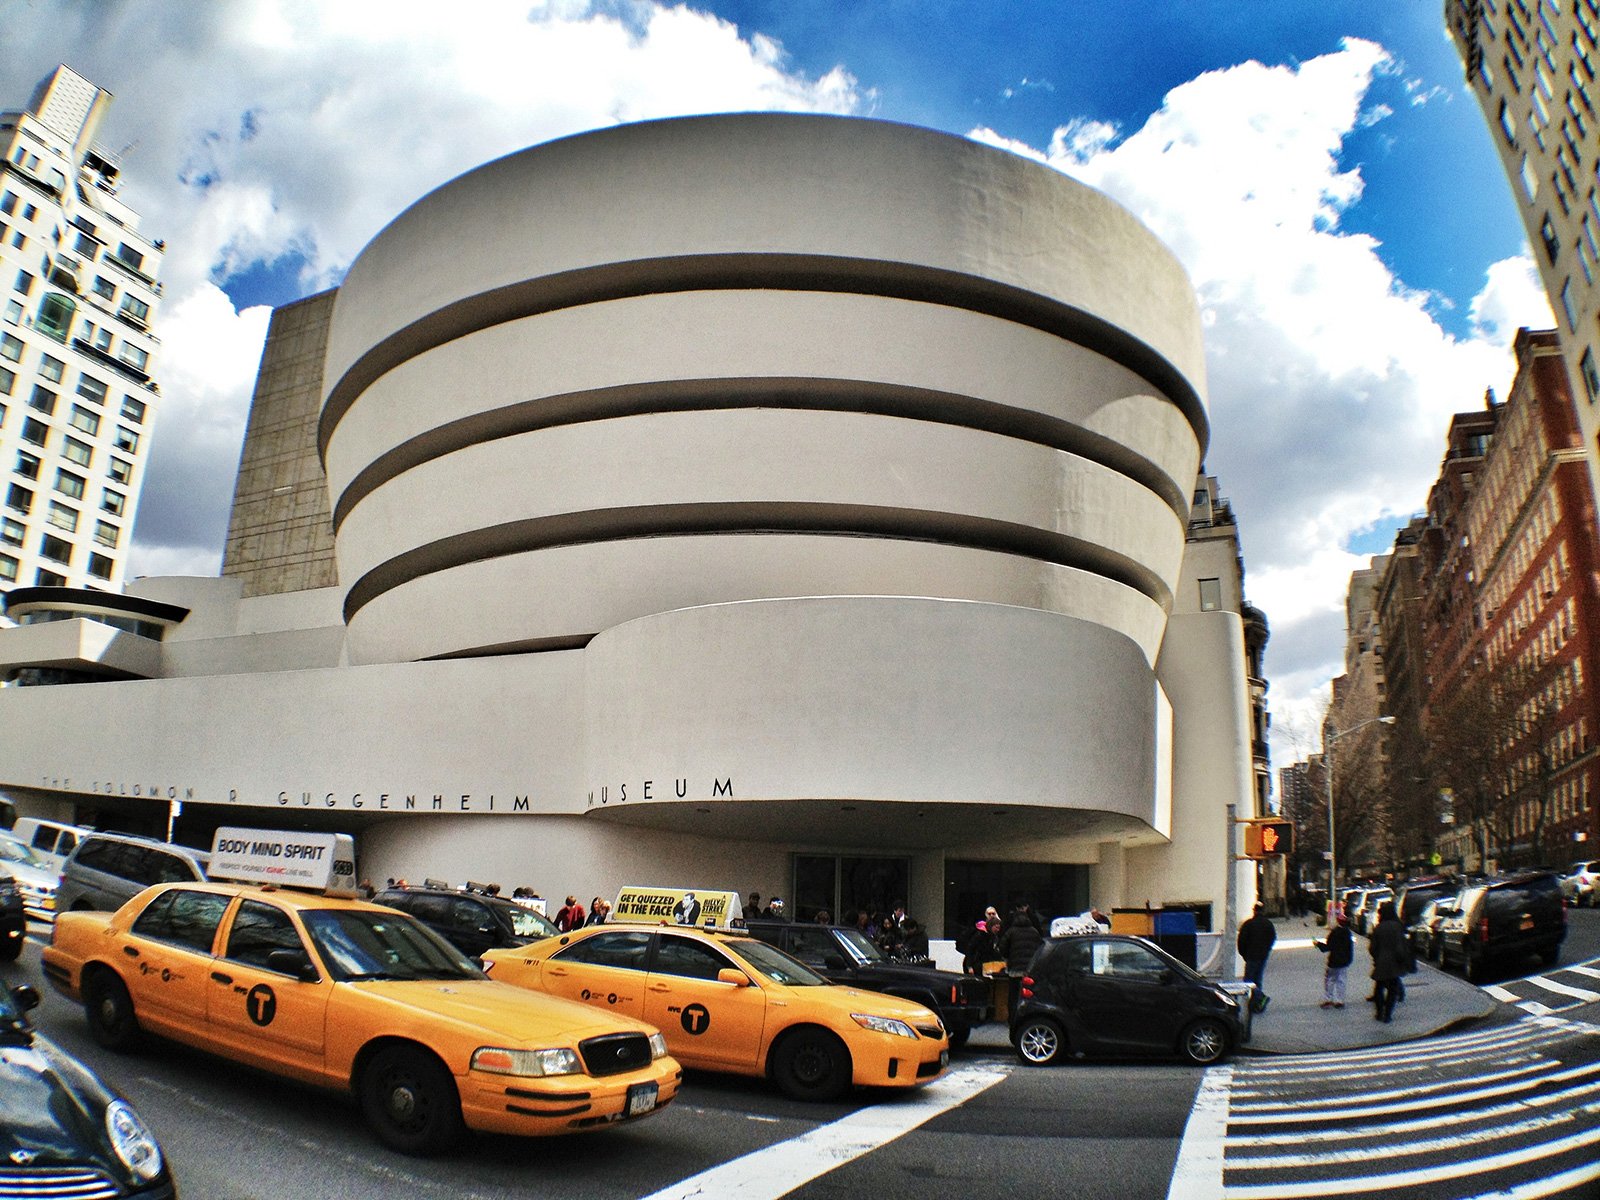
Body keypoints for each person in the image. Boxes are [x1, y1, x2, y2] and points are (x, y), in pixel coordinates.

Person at [1368, 901, 1411, 1023]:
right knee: (1392, 989)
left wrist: (1376, 958)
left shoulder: (1379, 928)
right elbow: (1402, 945)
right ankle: (1388, 1014)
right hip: (1395, 962)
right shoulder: (1398, 927)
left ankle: (1379, 1012)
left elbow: (1372, 948)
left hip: (1381, 962)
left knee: (1379, 988)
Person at [1237, 902, 1277, 1011]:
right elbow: (1272, 938)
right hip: (1263, 956)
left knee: (1248, 981)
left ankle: (1260, 997)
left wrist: (1244, 954)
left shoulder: (1248, 924)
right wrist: (1267, 950)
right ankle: (1257, 1004)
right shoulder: (1268, 924)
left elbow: (1241, 941)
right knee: (1258, 980)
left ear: (1254, 910)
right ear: (1263, 911)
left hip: (1251, 955)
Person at [1316, 914, 1354, 1008]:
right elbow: (1350, 948)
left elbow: (1328, 947)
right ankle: (1339, 1001)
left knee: (1330, 980)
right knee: (1341, 980)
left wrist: (1318, 944)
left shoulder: (1334, 933)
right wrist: (1349, 960)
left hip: (1333, 961)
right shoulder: (1348, 933)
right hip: (1344, 961)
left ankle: (1328, 1000)